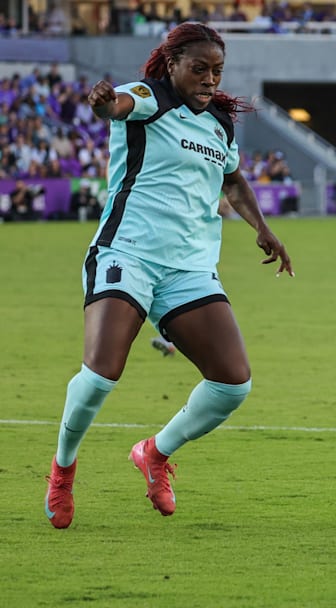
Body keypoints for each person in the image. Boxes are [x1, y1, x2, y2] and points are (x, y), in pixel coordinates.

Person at [44, 23, 293, 530]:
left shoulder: (219, 122)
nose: (208, 79)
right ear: (172, 62)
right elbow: (116, 105)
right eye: (199, 68)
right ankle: (63, 469)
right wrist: (101, 103)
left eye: (216, 71)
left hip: (189, 266)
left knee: (232, 385)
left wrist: (262, 228)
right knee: (99, 376)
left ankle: (154, 455)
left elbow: (233, 178)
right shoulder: (148, 97)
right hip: (127, 252)